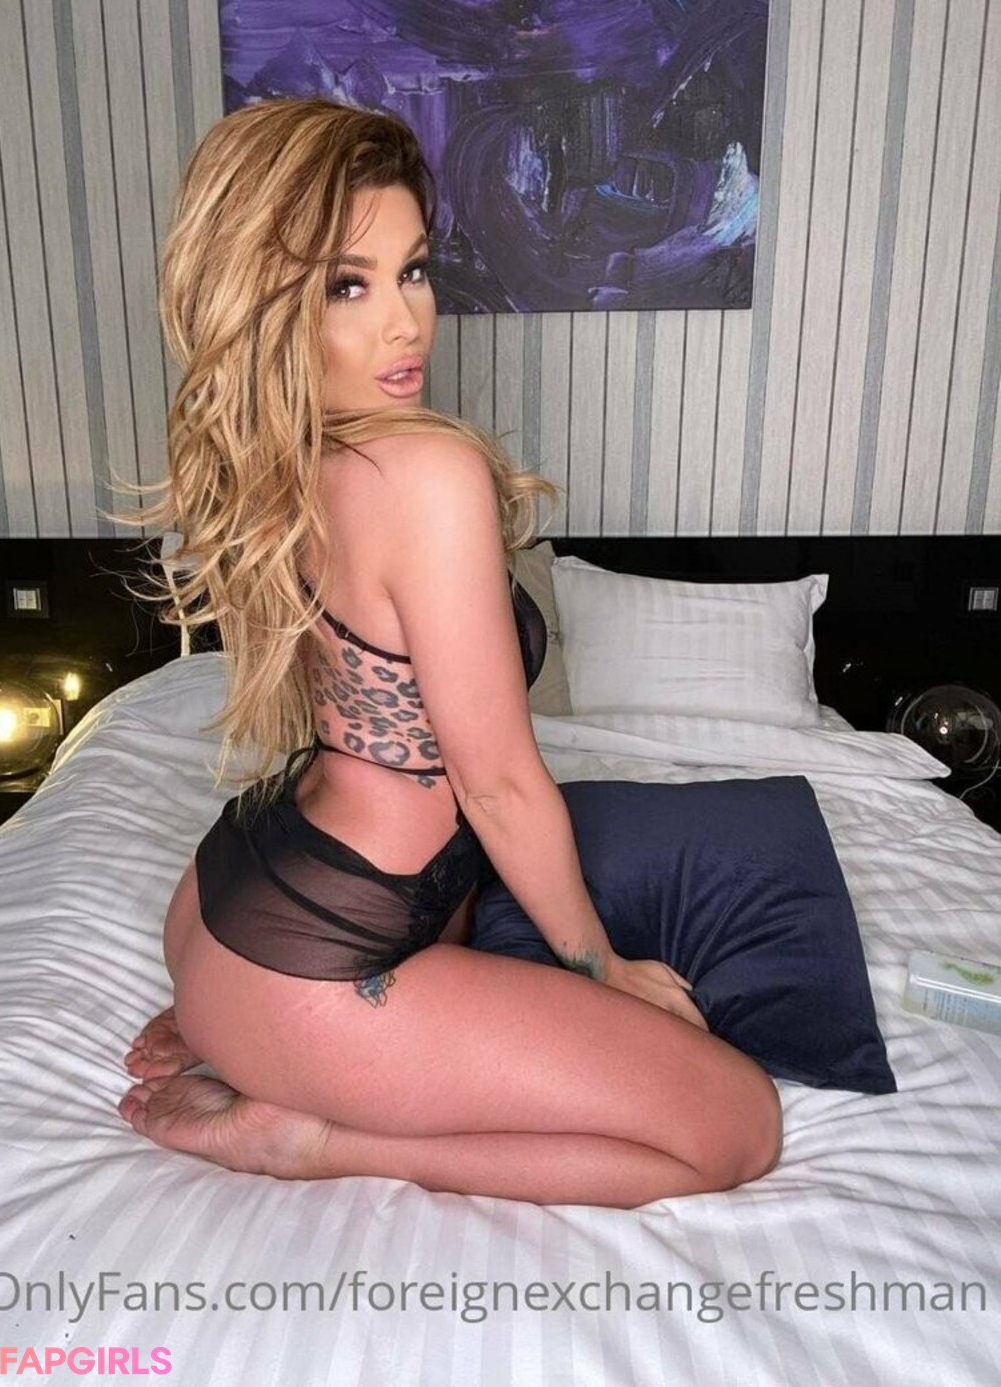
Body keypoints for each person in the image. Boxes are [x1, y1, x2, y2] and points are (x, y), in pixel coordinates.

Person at [119, 97, 781, 1208]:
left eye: (413, 271)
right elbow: (498, 783)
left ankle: (246, 1037)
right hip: (312, 968)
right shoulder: (425, 477)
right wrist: (602, 967)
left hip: (229, 905)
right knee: (737, 1127)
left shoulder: (287, 459)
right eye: (348, 286)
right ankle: (309, 1139)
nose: (406, 324)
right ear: (270, 304)